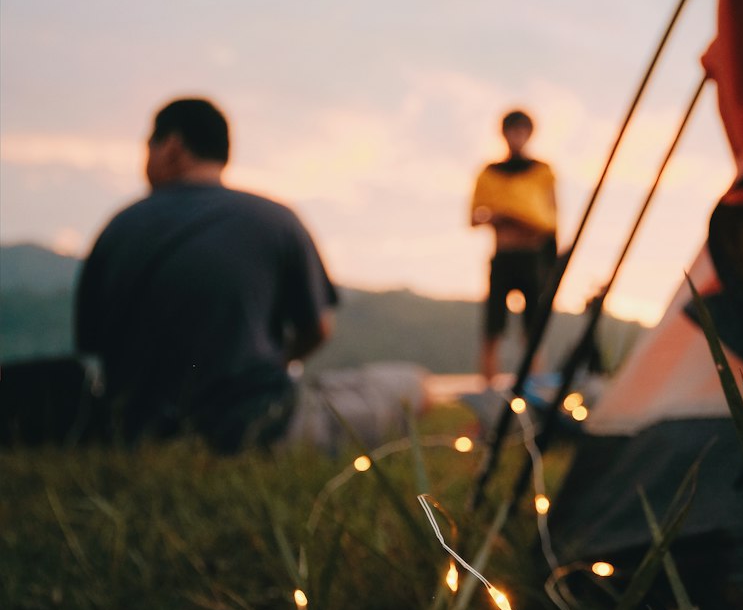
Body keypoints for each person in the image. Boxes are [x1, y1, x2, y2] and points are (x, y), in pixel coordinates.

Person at [76, 97, 426, 452]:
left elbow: (93, 345)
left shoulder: (116, 229)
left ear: (171, 146)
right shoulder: (274, 219)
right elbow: (318, 329)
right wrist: (277, 360)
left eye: (147, 146)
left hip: (138, 430)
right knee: (412, 383)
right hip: (258, 423)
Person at [470, 109, 558, 385]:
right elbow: (473, 216)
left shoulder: (542, 171)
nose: (517, 137)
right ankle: (489, 390)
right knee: (492, 328)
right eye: (512, 131)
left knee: (532, 330)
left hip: (533, 257)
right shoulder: (489, 173)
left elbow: (553, 217)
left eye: (522, 131)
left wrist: (552, 259)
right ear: (504, 134)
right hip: (503, 256)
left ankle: (533, 390)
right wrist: (499, 217)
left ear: (529, 135)